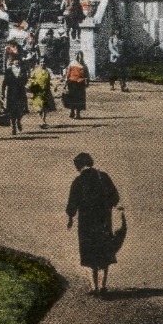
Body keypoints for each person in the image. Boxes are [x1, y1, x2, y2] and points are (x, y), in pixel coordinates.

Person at [66, 152, 122, 294]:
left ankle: (94, 286)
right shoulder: (103, 177)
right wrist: (107, 205)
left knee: (89, 251)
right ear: (91, 162)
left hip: (86, 221)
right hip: (103, 219)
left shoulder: (78, 181)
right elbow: (115, 197)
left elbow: (72, 203)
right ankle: (103, 286)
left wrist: (71, 217)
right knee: (104, 250)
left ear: (78, 166)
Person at [2, 46, 29, 135]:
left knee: (21, 109)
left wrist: (23, 84)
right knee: (12, 110)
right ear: (12, 62)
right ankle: (13, 125)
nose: (16, 62)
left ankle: (18, 121)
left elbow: (26, 79)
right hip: (11, 93)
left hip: (20, 92)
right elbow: (5, 82)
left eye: (18, 61)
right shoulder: (9, 71)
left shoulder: (23, 70)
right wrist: (2, 92)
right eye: (15, 60)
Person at [27, 57, 55, 128]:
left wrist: (54, 86)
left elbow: (52, 79)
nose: (43, 63)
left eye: (44, 62)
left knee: (45, 107)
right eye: (41, 62)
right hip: (38, 91)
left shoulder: (48, 71)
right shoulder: (35, 71)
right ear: (39, 63)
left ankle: (43, 120)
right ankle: (41, 120)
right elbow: (31, 79)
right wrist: (32, 85)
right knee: (39, 107)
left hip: (46, 91)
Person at [64, 52, 89, 119]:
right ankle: (72, 111)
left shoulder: (84, 65)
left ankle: (78, 113)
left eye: (80, 56)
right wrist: (66, 83)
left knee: (79, 99)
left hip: (80, 84)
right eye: (77, 56)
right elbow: (68, 73)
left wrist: (86, 82)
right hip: (72, 83)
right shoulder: (72, 64)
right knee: (72, 98)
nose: (78, 57)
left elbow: (86, 75)